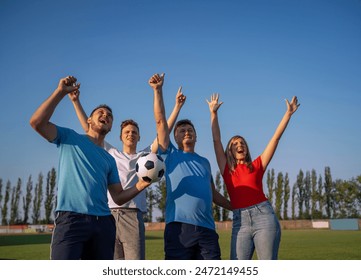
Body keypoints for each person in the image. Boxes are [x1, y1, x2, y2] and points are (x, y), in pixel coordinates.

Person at [29, 76, 151, 260]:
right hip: (71, 219)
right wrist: (60, 92)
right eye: (101, 113)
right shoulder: (70, 138)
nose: (106, 116)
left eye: (110, 116)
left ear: (110, 127)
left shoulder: (109, 159)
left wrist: (142, 184)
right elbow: (37, 123)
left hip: (103, 224)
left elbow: (118, 197)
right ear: (89, 121)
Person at [69, 85, 186, 260]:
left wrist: (177, 106)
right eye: (127, 132)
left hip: (133, 216)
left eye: (134, 132)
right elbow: (89, 128)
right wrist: (76, 101)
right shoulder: (110, 152)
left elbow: (164, 131)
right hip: (107, 216)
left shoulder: (147, 156)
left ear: (139, 137)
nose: (130, 134)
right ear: (120, 137)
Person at [207, 93, 300, 260]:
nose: (239, 145)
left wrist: (288, 114)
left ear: (247, 149)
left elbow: (275, 139)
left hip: (264, 218)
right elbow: (216, 140)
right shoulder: (226, 169)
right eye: (235, 144)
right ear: (230, 151)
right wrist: (213, 114)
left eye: (242, 143)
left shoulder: (258, 164)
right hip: (239, 222)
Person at [149, 73, 232, 260]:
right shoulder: (169, 154)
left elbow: (213, 194)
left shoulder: (205, 162)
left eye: (190, 130)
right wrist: (158, 90)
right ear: (175, 137)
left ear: (196, 136)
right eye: (182, 131)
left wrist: (234, 206)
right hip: (179, 228)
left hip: (207, 229)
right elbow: (161, 121)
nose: (187, 132)